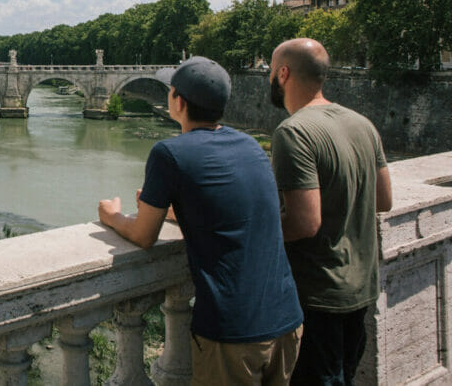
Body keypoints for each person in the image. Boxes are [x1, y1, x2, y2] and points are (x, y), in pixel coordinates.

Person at [99, 56, 302, 384]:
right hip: (286, 318)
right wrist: (172, 210)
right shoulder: (251, 147)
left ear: (178, 101)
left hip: (233, 329)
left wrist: (112, 216)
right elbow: (230, 208)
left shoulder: (169, 154)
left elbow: (143, 235)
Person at [269, 38, 392, 385]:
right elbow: (384, 200)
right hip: (361, 288)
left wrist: (246, 231)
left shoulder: (294, 132)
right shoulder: (362, 123)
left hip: (317, 294)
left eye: (270, 70)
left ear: (283, 74)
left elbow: (304, 223)